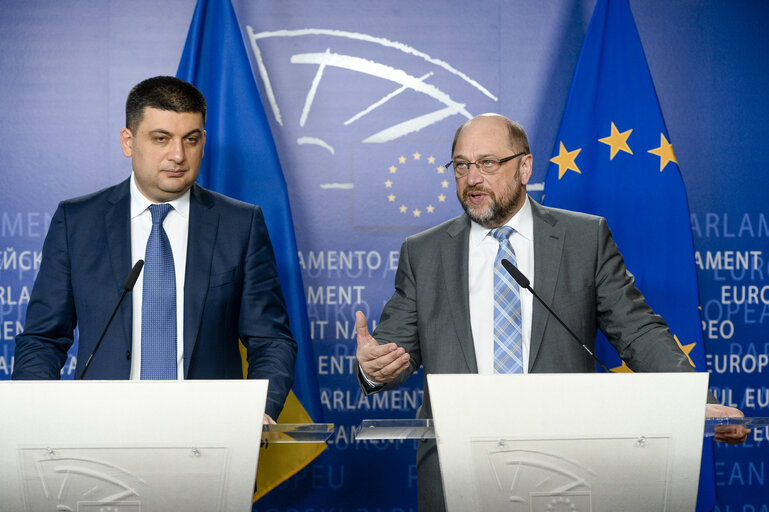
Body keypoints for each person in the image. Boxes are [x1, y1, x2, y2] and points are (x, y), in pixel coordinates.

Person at [355, 113, 747, 511]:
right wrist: (373, 368)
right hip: (457, 472)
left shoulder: (584, 238)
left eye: (488, 163)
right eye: (461, 165)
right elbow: (392, 352)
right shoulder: (424, 253)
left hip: (565, 469)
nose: (472, 178)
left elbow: (638, 331)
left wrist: (695, 400)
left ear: (524, 167)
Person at [13, 76, 296, 423]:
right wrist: (31, 414)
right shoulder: (77, 222)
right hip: (99, 432)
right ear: (128, 142)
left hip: (212, 433)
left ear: (203, 142)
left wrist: (260, 409)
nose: (178, 155)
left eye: (190, 140)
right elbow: (43, 338)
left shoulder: (240, 224)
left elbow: (271, 340)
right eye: (161, 139)